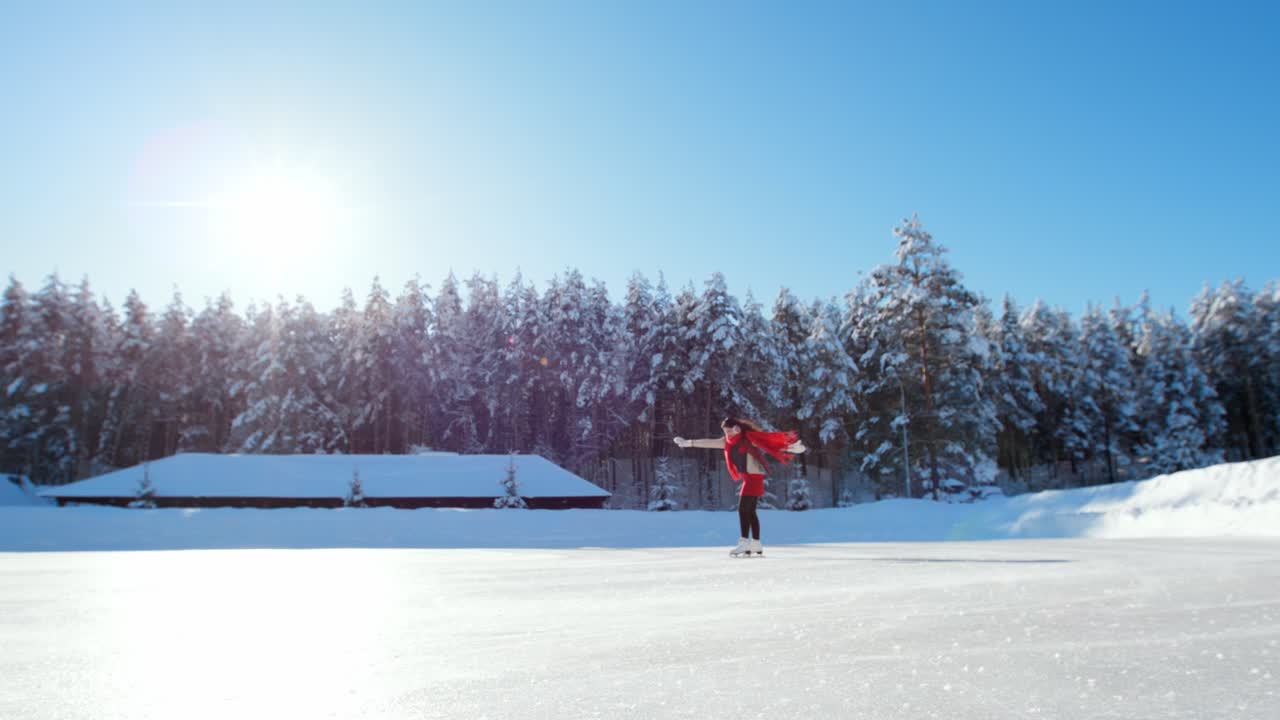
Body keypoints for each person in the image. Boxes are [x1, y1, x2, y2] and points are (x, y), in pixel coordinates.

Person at [674, 416, 806, 556]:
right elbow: (708, 442)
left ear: (737, 429)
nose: (727, 434)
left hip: (753, 477)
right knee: (750, 512)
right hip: (749, 478)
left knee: (743, 510)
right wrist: (687, 443)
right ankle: (756, 543)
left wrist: (790, 447)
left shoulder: (747, 438)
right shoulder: (727, 442)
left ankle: (743, 543)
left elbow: (767, 441)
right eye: (725, 431)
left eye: (729, 430)